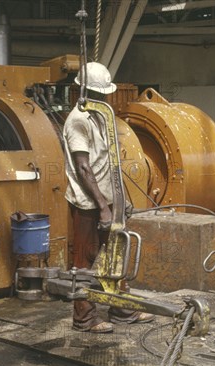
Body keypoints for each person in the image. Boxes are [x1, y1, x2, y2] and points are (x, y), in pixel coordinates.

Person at [63, 62, 153, 333]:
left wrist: (120, 197)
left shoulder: (101, 116)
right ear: (83, 91)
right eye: (97, 95)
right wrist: (102, 206)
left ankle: (122, 310)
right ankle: (85, 319)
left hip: (107, 200)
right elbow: (83, 167)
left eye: (104, 96)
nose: (102, 100)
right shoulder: (78, 120)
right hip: (88, 204)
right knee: (85, 260)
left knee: (114, 254)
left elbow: (111, 161)